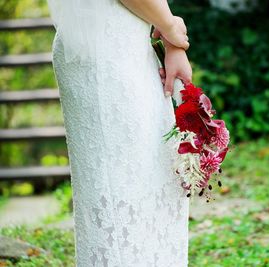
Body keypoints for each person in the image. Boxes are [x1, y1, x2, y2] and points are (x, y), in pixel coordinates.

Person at [47, 0, 192, 266]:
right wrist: (170, 27)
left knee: (150, 184)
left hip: (125, 44)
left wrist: (170, 33)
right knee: (122, 193)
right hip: (109, 55)